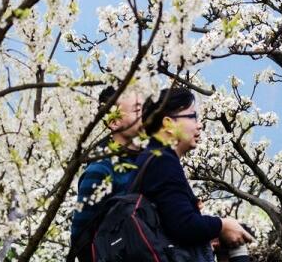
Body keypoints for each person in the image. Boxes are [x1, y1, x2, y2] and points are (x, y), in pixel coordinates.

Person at [133, 87, 253, 262]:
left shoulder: (151, 157)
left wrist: (208, 233)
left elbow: (168, 223)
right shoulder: (162, 162)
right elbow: (183, 225)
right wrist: (222, 225)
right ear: (168, 124)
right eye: (192, 116)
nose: (199, 124)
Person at [70, 86, 144, 250]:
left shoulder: (154, 161)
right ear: (114, 122)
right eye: (137, 110)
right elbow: (80, 239)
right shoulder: (101, 171)